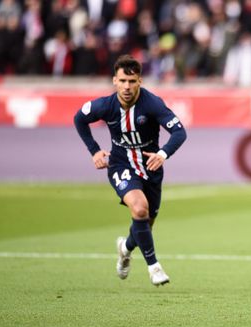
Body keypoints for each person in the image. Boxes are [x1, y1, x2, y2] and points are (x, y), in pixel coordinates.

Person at [74, 54, 187, 286]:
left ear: (140, 82)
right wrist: (95, 150)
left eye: (132, 81)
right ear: (115, 81)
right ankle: (154, 268)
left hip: (151, 167)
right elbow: (79, 119)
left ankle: (125, 249)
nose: (127, 87)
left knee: (145, 222)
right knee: (139, 208)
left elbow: (179, 132)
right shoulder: (104, 106)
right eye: (122, 81)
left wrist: (163, 153)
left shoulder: (152, 103)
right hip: (120, 164)